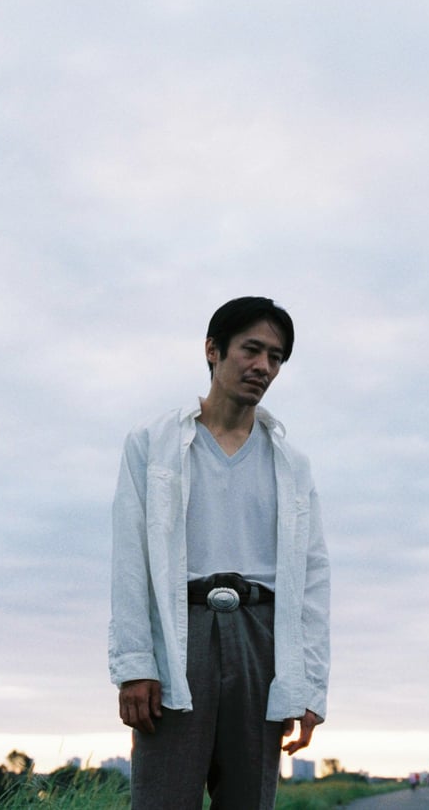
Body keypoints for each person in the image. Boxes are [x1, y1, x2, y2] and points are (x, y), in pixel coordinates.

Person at [109, 296, 331, 810]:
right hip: (179, 636)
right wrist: (135, 664)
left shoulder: (291, 463)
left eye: (275, 357)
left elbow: (313, 578)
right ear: (213, 350)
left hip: (261, 638)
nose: (263, 366)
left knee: (249, 799)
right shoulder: (153, 443)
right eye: (251, 350)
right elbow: (130, 557)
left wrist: (309, 686)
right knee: (163, 798)